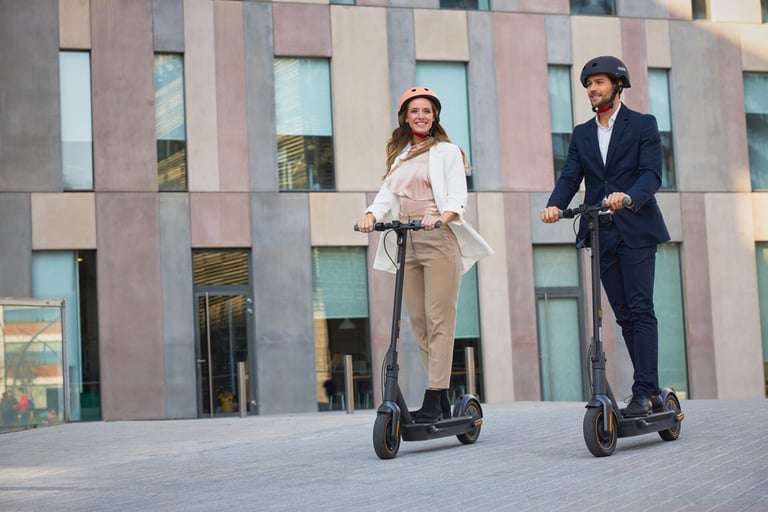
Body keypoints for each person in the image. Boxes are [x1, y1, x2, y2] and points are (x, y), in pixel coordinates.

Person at [540, 56, 670, 417]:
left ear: (618, 85)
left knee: (641, 309)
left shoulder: (642, 124)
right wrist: (554, 205)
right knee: (624, 315)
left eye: (599, 82)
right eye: (588, 84)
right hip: (600, 232)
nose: (592, 89)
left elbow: (652, 174)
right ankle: (649, 388)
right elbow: (571, 176)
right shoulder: (583, 133)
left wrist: (628, 197)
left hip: (636, 227)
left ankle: (645, 390)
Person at [357, 86, 493, 423]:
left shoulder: (447, 152)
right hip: (408, 241)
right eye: (415, 111)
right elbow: (386, 195)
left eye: (427, 111)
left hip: (438, 239)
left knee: (438, 320)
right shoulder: (401, 157)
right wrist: (371, 215)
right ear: (405, 117)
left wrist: (442, 217)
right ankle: (441, 398)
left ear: (435, 118)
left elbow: (457, 196)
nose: (421, 116)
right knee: (418, 322)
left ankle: (434, 396)